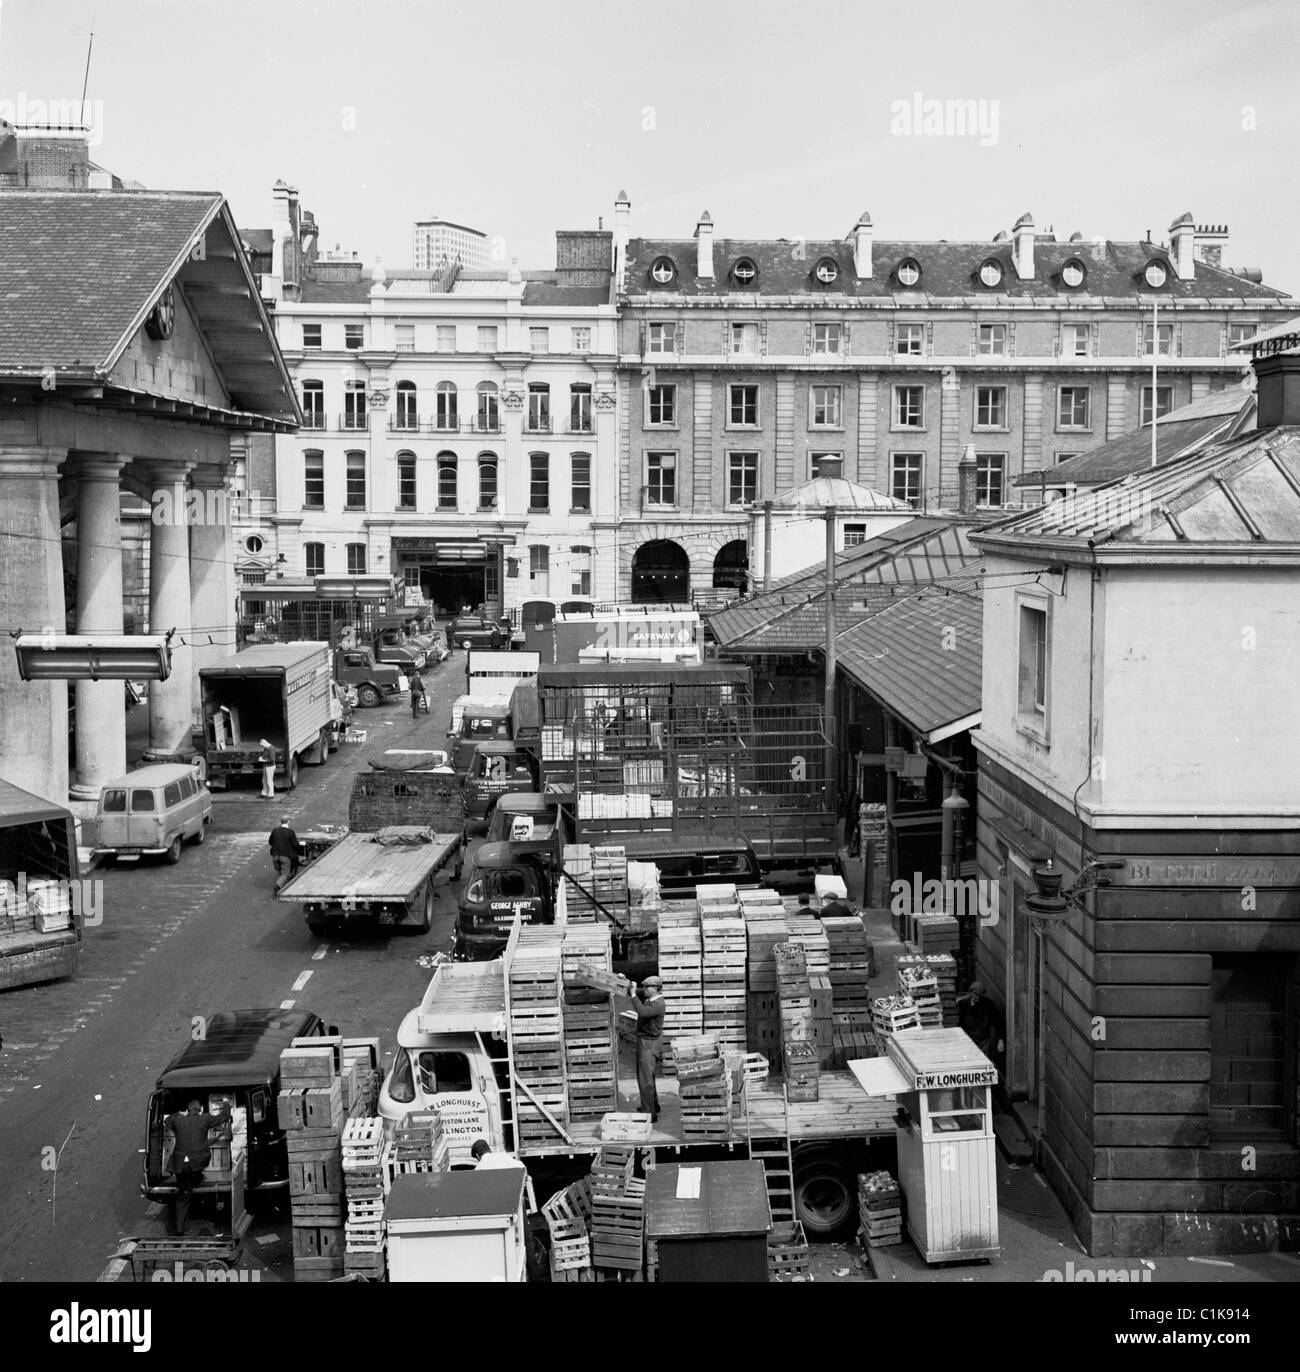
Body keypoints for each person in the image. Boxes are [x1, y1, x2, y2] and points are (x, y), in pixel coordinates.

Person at [164, 1097, 231, 1236]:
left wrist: (178, 1115)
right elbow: (224, 1116)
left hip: (180, 1164)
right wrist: (225, 1102)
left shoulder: (177, 1119)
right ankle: (197, 1177)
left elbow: (167, 1121)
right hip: (197, 1163)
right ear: (199, 1110)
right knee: (199, 1163)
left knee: (183, 1196)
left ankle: (179, 1230)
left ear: (187, 1110)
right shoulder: (204, 1119)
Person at [623, 976, 665, 1121]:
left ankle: (649, 1113)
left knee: (645, 1079)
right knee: (649, 1076)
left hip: (648, 1043)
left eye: (647, 987)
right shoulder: (653, 999)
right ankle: (653, 1105)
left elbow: (642, 1012)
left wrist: (633, 994)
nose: (644, 990)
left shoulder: (658, 1004)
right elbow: (639, 997)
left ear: (655, 989)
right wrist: (627, 983)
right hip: (649, 1041)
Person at [957, 981, 1006, 1064]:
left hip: (983, 1041)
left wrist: (1000, 1040)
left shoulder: (989, 1005)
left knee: (983, 1063)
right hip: (968, 1039)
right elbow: (959, 1023)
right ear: (971, 993)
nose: (977, 997)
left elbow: (998, 1023)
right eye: (975, 994)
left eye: (979, 995)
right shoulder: (962, 1004)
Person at [269, 815, 299, 892]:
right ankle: (278, 886)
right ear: (288, 821)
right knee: (285, 873)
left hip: (275, 855)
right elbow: (295, 845)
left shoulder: (275, 830)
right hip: (285, 856)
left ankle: (280, 884)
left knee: (279, 871)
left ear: (280, 822)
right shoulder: (290, 832)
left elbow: (270, 842)